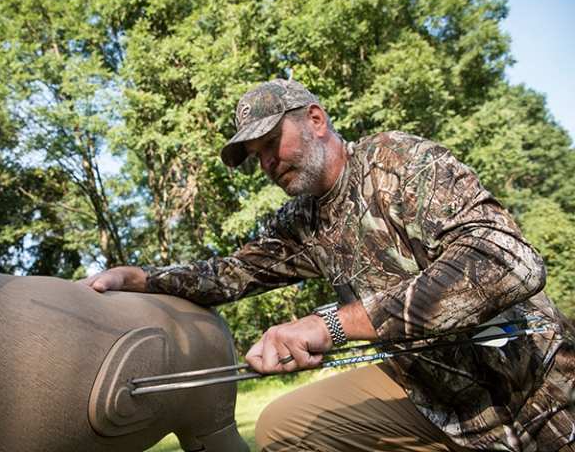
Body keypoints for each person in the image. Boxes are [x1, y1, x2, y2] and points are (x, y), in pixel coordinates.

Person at [80, 79, 575, 452]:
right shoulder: (302, 223)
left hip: (539, 387)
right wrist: (144, 278)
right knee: (284, 427)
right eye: (256, 156)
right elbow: (229, 274)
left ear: (315, 119)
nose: (268, 163)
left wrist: (331, 325)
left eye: (272, 143)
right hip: (435, 400)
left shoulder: (398, 162)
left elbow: (509, 263)